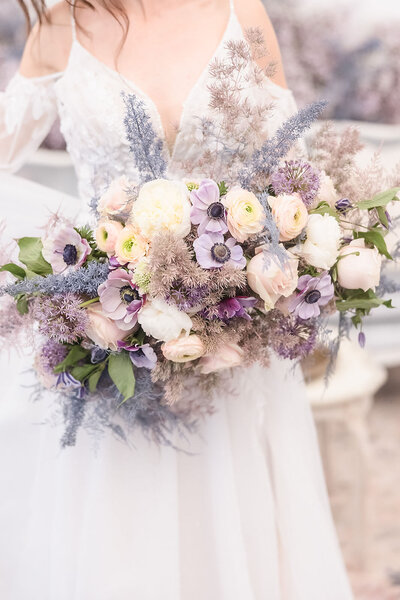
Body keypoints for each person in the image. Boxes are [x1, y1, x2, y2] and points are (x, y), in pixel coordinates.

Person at [0, 1, 353, 598]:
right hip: (113, 351)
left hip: (232, 350)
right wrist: (82, 275)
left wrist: (260, 262)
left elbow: (296, 173)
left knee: (231, 531)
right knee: (122, 543)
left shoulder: (243, 13)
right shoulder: (62, 25)